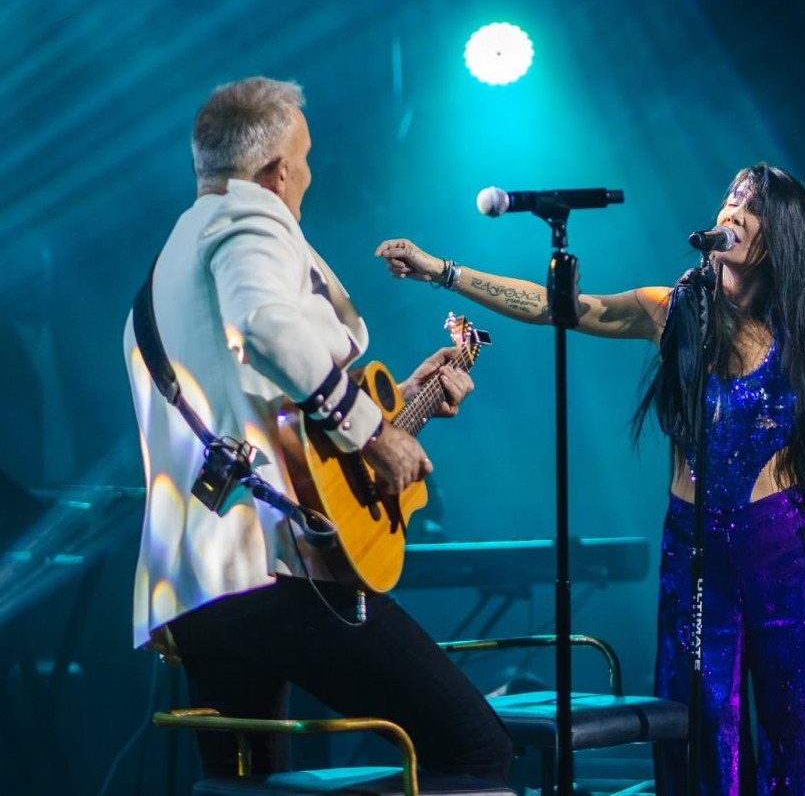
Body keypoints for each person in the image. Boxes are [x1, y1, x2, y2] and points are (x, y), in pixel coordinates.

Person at [376, 163, 805, 795]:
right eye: (732, 198)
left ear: (781, 236)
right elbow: (555, 305)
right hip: (695, 553)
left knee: (804, 718)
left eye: (752, 206)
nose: (734, 211)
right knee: (701, 720)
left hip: (784, 552)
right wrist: (442, 271)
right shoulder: (671, 309)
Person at [122, 77, 512, 784]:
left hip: (198, 590)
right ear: (277, 171)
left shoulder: (167, 268)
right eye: (305, 161)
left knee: (249, 787)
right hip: (275, 571)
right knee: (475, 750)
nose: (309, 175)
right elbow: (264, 328)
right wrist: (373, 434)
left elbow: (265, 411)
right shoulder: (252, 219)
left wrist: (398, 409)